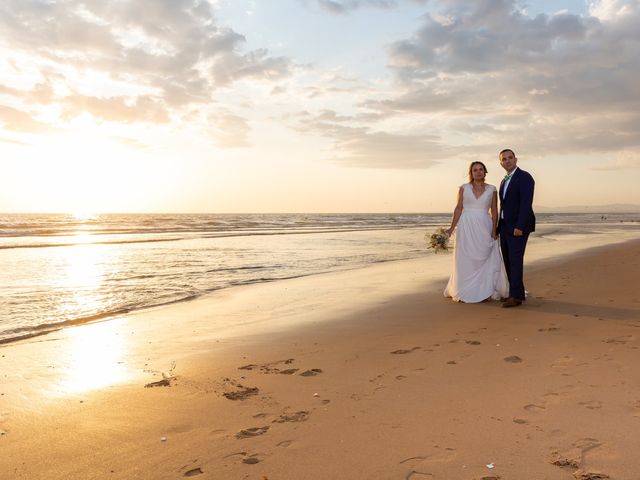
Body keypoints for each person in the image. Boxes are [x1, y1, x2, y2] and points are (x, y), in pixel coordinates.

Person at [444, 161, 508, 303]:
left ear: (485, 172)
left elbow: (494, 211)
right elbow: (459, 208)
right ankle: (465, 287)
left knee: (485, 255)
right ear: (471, 173)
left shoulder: (492, 189)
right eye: (475, 170)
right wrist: (451, 228)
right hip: (466, 227)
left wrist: (494, 230)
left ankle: (486, 288)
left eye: (481, 169)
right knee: (466, 258)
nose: (478, 172)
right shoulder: (463, 188)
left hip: (484, 225)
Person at [496, 149, 535, 308]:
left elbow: (526, 204)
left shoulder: (524, 177)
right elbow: (504, 206)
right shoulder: (504, 180)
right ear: (501, 163)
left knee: (515, 261)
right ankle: (517, 291)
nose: (507, 161)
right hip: (505, 226)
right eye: (504, 159)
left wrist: (519, 226)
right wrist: (498, 227)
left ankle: (516, 296)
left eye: (510, 158)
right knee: (507, 260)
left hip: (518, 227)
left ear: (516, 159)